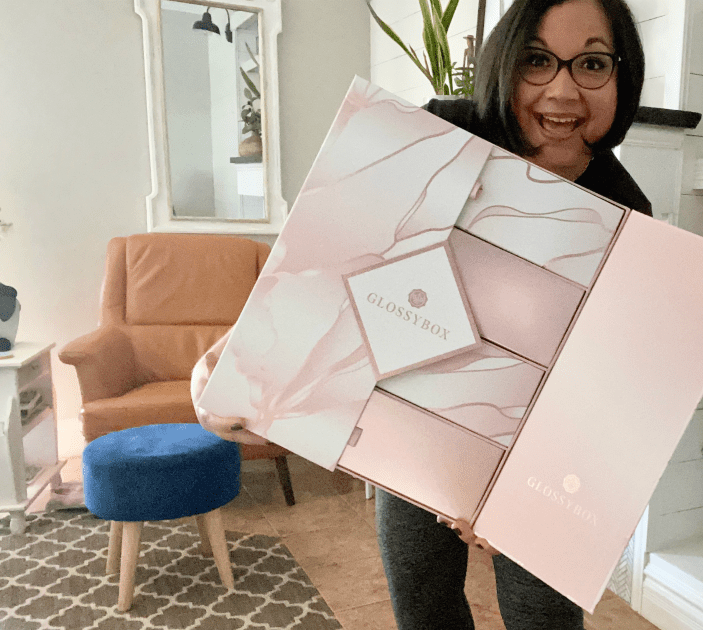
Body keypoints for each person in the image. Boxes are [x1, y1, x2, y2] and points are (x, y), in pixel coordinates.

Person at [191, 0, 650, 628]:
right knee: (423, 605)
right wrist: (247, 359)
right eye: (537, 61)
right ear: (504, 65)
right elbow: (339, 269)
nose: (562, 89)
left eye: (593, 63)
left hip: (539, 458)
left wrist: (517, 487)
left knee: (542, 618)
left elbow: (606, 389)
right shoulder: (442, 135)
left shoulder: (633, 220)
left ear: (623, 77)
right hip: (413, 422)